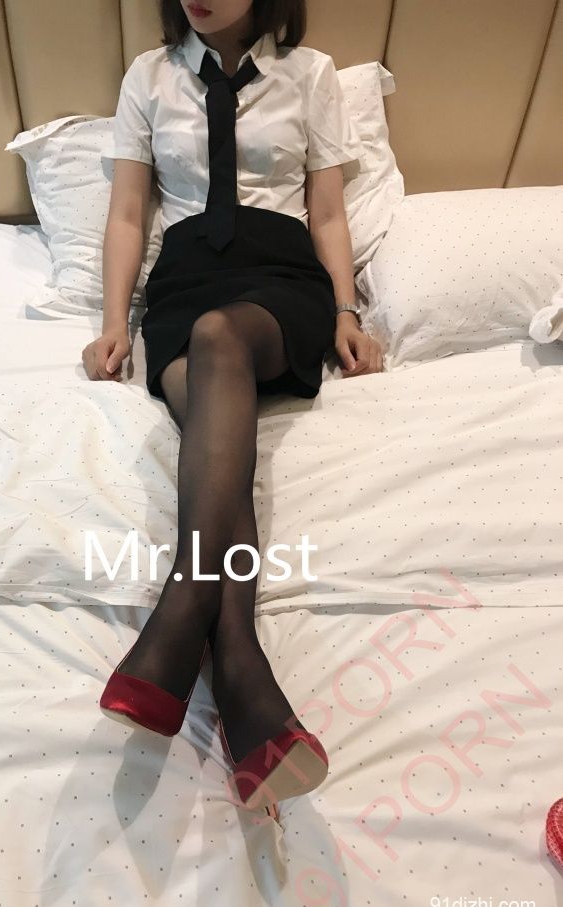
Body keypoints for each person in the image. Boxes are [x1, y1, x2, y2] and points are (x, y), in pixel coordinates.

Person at [82, 0, 384, 811]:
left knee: (221, 341)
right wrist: (114, 323)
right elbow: (128, 213)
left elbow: (327, 212)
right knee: (218, 433)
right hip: (183, 283)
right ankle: (245, 684)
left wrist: (347, 312)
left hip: (279, 284)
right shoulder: (148, 76)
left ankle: (183, 607)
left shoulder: (310, 74)